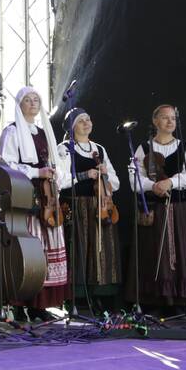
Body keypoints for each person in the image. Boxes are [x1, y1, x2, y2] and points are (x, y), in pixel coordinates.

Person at [0, 86, 70, 320]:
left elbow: (55, 162)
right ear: (19, 105)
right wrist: (37, 172)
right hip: (25, 194)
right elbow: (7, 164)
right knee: (29, 248)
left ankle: (40, 306)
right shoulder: (12, 131)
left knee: (49, 246)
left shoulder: (44, 132)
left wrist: (54, 174)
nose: (32, 103)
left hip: (47, 194)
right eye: (27, 100)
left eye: (36, 100)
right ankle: (20, 304)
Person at [129, 104, 186, 310]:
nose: (170, 122)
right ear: (155, 121)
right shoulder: (144, 148)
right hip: (154, 210)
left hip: (180, 209)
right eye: (165, 117)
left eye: (173, 118)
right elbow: (134, 179)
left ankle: (181, 300)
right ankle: (154, 300)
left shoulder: (184, 147)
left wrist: (170, 182)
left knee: (181, 252)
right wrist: (153, 186)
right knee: (152, 253)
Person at [57, 108, 122, 313]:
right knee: (79, 249)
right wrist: (86, 175)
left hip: (100, 205)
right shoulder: (64, 148)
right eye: (81, 120)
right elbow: (61, 180)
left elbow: (116, 183)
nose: (87, 123)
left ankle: (100, 296)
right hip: (77, 205)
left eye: (88, 119)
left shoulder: (99, 149)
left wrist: (105, 174)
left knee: (102, 251)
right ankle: (76, 298)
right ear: (72, 127)